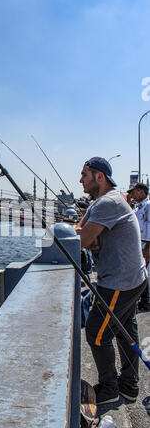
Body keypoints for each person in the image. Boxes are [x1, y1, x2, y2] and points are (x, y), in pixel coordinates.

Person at [75, 157, 147, 405]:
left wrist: (88, 236)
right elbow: (81, 230)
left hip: (120, 281)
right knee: (125, 330)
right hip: (132, 277)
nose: (80, 179)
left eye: (85, 174)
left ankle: (109, 389)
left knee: (96, 333)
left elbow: (82, 240)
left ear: (99, 176)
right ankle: (129, 386)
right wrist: (87, 234)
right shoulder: (101, 203)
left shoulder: (108, 202)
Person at [127, 183, 150, 312]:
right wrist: (128, 201)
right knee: (140, 274)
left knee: (143, 274)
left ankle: (146, 301)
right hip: (138, 246)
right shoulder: (137, 208)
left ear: (141, 192)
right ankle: (143, 300)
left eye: (134, 192)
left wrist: (148, 247)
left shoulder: (148, 206)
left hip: (145, 246)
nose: (132, 194)